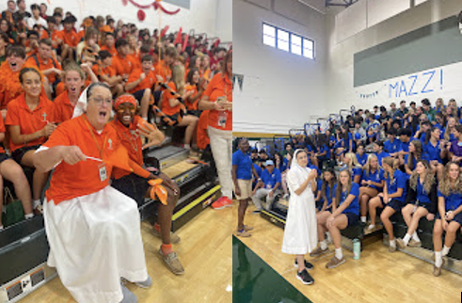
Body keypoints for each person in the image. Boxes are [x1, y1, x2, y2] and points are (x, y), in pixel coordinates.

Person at [33, 83, 151, 303]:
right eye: (98, 99)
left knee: (130, 208)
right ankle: (108, 288)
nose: (104, 104)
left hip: (99, 190)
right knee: (105, 225)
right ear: (87, 105)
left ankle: (131, 269)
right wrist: (61, 151)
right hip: (68, 197)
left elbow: (123, 161)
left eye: (108, 100)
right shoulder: (68, 128)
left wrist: (150, 176)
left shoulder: (110, 131)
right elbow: (39, 162)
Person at [109, 94, 184, 275]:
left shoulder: (136, 122)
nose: (127, 111)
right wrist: (151, 175)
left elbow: (159, 136)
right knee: (167, 194)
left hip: (141, 170)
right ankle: (166, 249)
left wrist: (157, 136)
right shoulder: (111, 130)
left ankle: (159, 226)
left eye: (131, 107)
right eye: (122, 107)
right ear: (115, 109)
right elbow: (126, 163)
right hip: (124, 178)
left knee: (174, 187)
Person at [6, 67, 55, 213]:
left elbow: (50, 134)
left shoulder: (49, 105)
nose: (34, 86)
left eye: (36, 82)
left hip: (43, 145)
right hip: (22, 148)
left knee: (56, 156)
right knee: (43, 159)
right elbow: (16, 138)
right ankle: (36, 202)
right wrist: (41, 132)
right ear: (22, 85)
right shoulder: (14, 105)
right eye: (28, 82)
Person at [198, 50, 232, 209]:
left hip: (234, 131)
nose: (232, 65)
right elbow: (201, 103)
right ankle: (227, 195)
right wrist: (214, 105)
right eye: (230, 61)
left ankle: (238, 194)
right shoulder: (216, 78)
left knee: (235, 165)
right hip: (215, 129)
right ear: (225, 63)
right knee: (221, 165)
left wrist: (233, 106)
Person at [282, 149, 317, 285]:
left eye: (305, 157)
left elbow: (313, 189)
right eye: (301, 157)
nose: (304, 159)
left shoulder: (308, 170)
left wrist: (313, 179)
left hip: (308, 205)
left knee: (306, 231)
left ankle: (299, 259)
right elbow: (297, 191)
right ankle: (301, 271)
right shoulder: (292, 173)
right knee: (300, 233)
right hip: (299, 206)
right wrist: (309, 178)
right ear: (296, 160)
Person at [311, 169, 360, 268]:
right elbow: (334, 203)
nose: (343, 178)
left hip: (351, 213)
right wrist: (333, 214)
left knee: (332, 223)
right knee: (317, 218)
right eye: (341, 176)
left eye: (345, 176)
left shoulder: (354, 186)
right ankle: (323, 245)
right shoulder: (336, 187)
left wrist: (333, 216)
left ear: (349, 177)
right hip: (339, 211)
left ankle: (339, 256)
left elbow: (346, 203)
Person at [397, 160, 437, 249]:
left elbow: (434, 198)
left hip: (427, 204)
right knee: (405, 210)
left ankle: (405, 240)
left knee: (417, 213)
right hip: (417, 202)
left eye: (420, 166)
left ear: (426, 168)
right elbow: (410, 195)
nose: (417, 168)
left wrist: (432, 212)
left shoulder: (432, 181)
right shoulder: (414, 179)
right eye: (417, 166)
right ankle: (416, 239)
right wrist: (406, 204)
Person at [432, 162, 462, 276]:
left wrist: (453, 213)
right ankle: (438, 263)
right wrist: (444, 218)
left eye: (456, 170)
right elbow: (440, 203)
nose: (454, 172)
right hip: (445, 210)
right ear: (447, 172)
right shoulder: (442, 183)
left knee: (451, 229)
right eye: (452, 170)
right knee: (436, 230)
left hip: (458, 210)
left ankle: (443, 253)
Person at [367, 157, 408, 233]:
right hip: (389, 195)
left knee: (384, 216)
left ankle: (391, 238)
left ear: (385, 165)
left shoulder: (400, 175)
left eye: (382, 163)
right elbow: (385, 185)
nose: (380, 165)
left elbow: (399, 193)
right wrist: (385, 194)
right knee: (372, 202)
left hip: (398, 199)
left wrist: (387, 196)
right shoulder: (387, 173)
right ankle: (373, 223)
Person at [232, 138, 259, 236]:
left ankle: (242, 224)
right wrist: (236, 187)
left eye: (247, 143)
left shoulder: (247, 155)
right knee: (242, 204)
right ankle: (239, 229)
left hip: (248, 180)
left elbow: (252, 167)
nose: (246, 145)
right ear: (239, 145)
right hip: (240, 181)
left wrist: (257, 178)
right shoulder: (235, 155)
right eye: (243, 143)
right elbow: (233, 171)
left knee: (246, 202)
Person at [358, 154, 384, 224]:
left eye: (376, 161)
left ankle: (353, 206)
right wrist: (364, 182)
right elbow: (363, 181)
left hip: (377, 191)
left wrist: (372, 183)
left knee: (361, 189)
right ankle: (363, 219)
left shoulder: (381, 171)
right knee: (364, 197)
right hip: (368, 189)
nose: (375, 163)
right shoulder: (366, 171)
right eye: (373, 161)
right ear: (369, 162)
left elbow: (382, 185)